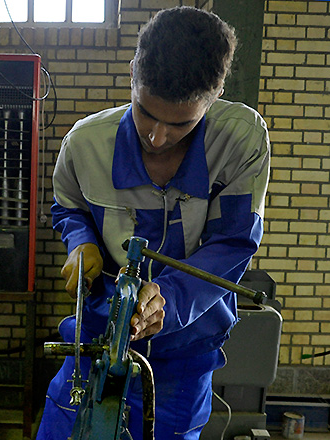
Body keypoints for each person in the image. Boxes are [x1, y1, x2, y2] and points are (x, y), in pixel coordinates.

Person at [37, 6, 269, 440]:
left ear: (215, 95)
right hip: (96, 337)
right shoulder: (86, 144)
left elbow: (232, 243)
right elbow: (68, 207)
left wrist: (172, 302)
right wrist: (80, 241)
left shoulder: (241, 142)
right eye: (145, 112)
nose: (157, 137)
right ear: (133, 75)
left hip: (183, 359)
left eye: (180, 123)